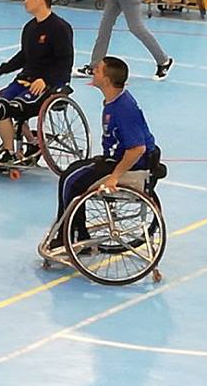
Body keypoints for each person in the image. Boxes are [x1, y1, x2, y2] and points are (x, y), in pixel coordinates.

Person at [52, 56, 159, 246]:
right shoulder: (114, 100)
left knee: (72, 182)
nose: (93, 70)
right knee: (70, 173)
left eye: (98, 70)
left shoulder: (123, 109)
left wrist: (114, 177)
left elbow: (137, 149)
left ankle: (69, 237)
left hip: (131, 166)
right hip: (115, 159)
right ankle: (78, 234)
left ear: (107, 80)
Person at [0, 0, 74, 168]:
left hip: (49, 84)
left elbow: (65, 62)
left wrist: (46, 80)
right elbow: (23, 56)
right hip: (25, 79)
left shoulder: (60, 28)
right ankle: (9, 152)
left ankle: (32, 142)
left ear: (41, 0)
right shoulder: (29, 28)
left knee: (16, 107)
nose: (25, 1)